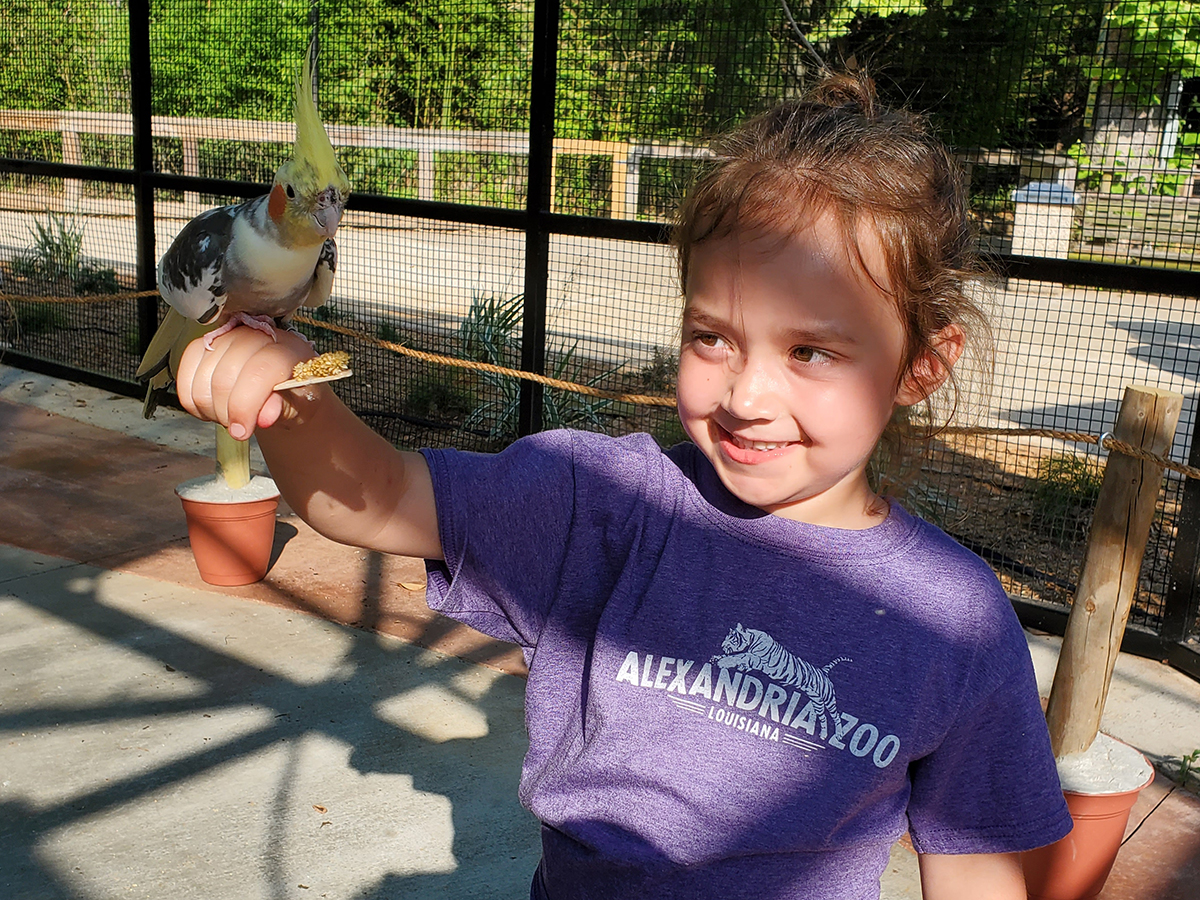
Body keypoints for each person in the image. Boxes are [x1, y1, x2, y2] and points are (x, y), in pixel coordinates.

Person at [174, 74, 1072, 900]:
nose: (746, 396)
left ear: (920, 364)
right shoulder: (602, 504)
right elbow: (366, 497)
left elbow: (978, 869)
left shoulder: (953, 618)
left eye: (811, 352)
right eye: (713, 336)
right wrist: (292, 401)